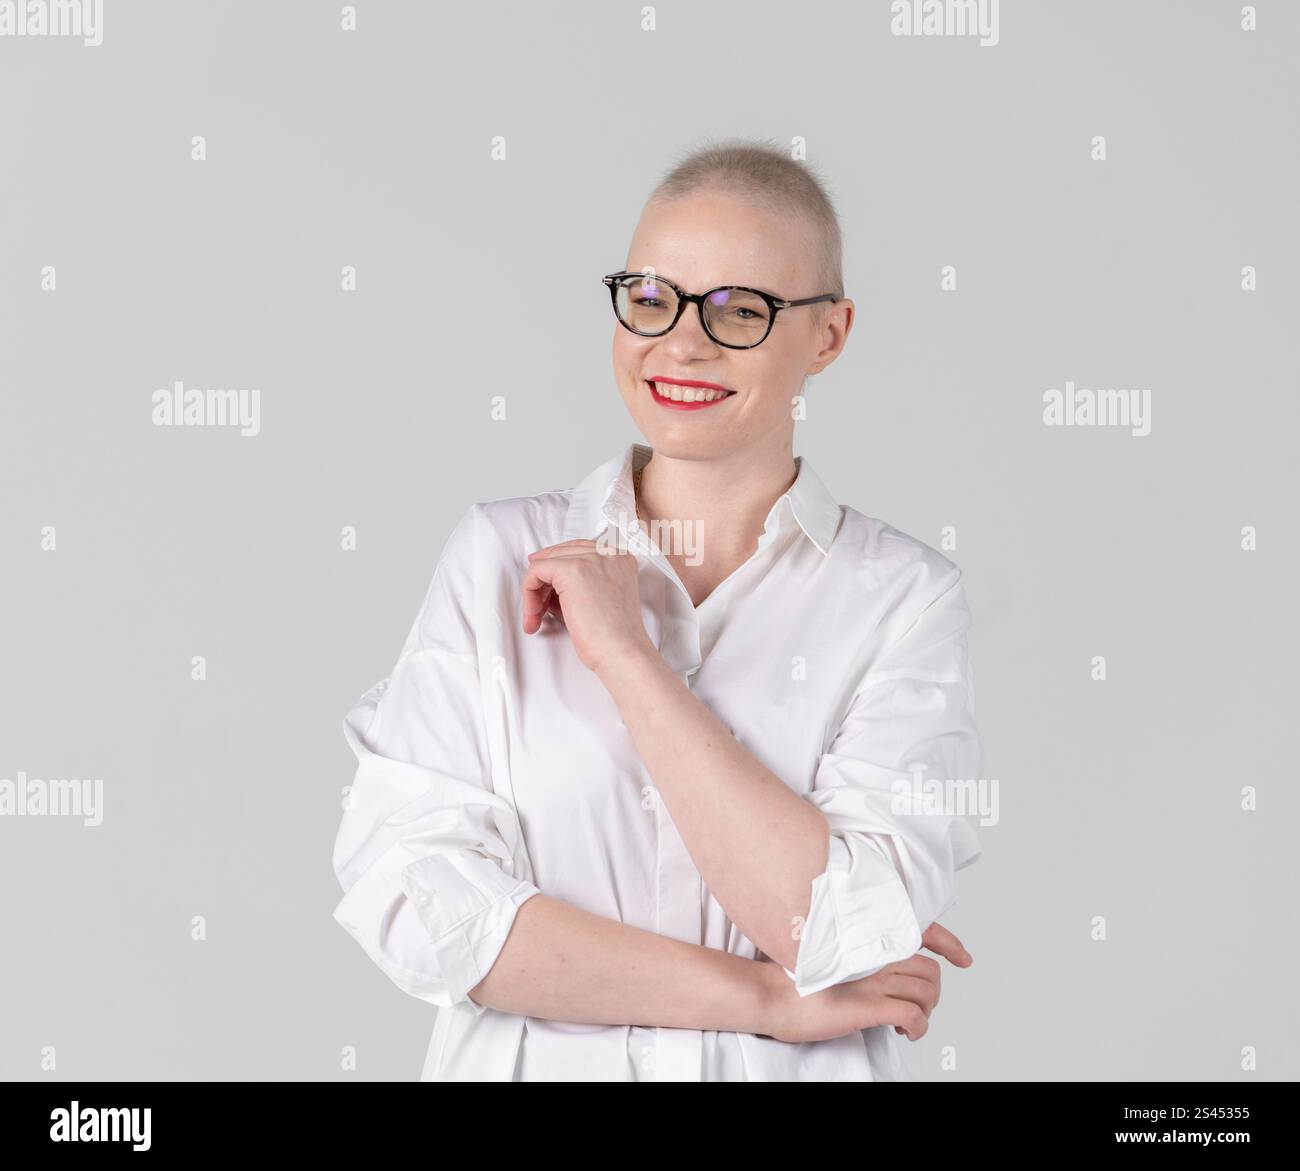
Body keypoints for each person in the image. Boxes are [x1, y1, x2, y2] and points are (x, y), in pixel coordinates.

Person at [331, 138, 983, 1081]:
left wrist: (628, 660)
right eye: (651, 296)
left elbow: (836, 926)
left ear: (829, 335)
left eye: (739, 310)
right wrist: (760, 995)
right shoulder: (497, 556)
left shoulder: (900, 599)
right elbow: (420, 906)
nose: (681, 342)